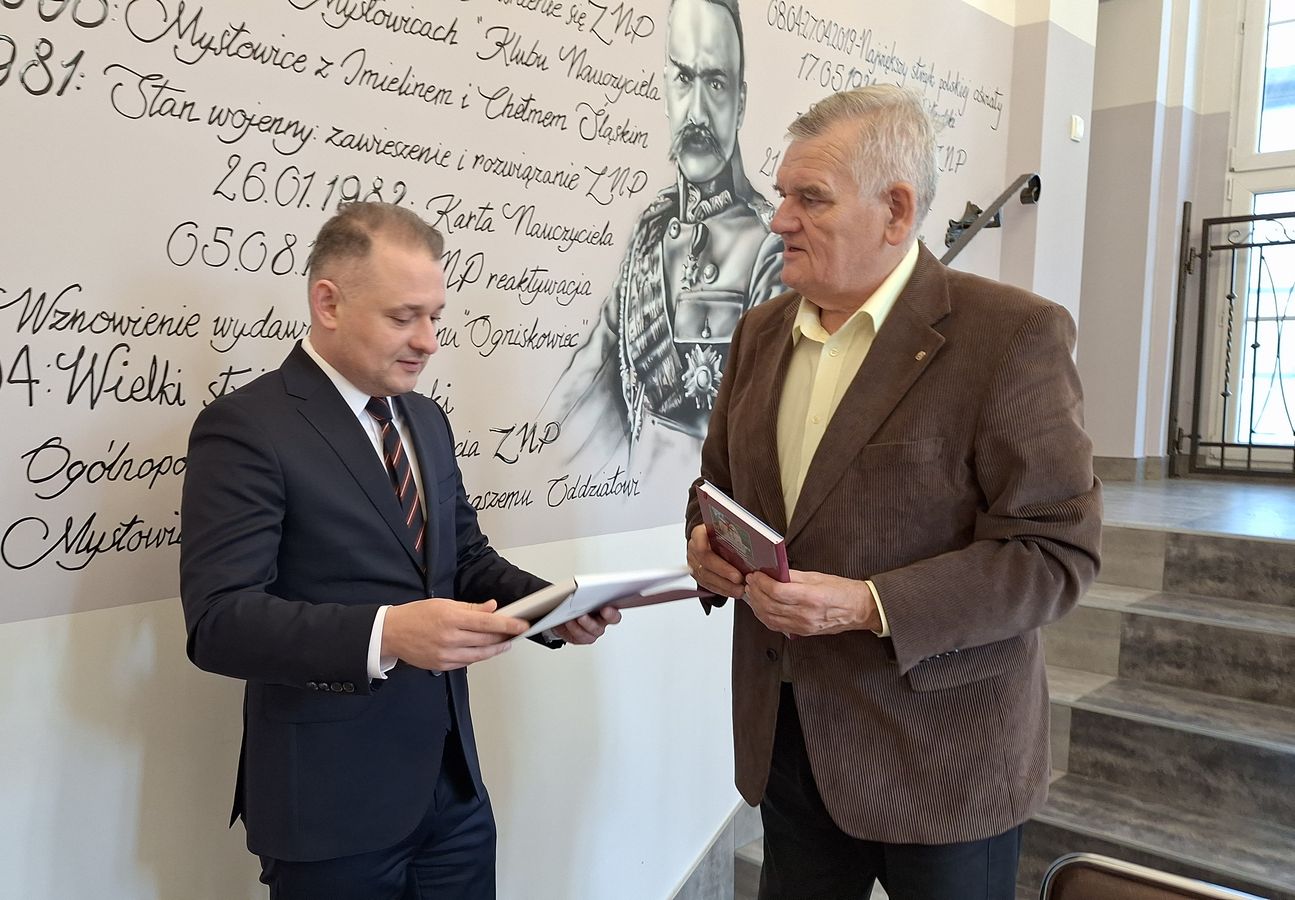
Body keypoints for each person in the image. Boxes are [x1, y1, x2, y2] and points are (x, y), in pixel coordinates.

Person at [685, 85, 1102, 900]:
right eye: (782, 194)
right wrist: (706, 549)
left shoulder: (1010, 335)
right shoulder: (760, 332)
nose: (779, 220)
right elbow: (717, 490)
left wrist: (867, 603)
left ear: (896, 210)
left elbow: (1054, 553)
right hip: (790, 746)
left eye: (810, 199)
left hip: (945, 762)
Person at [179, 202, 617, 900]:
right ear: (328, 303)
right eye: (403, 317)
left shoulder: (425, 418)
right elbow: (219, 623)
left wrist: (551, 609)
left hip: (452, 791)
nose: (429, 341)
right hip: (329, 807)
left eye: (434, 316)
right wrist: (386, 633)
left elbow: (464, 559)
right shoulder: (246, 428)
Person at [541, 0, 785, 463]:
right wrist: (535, 462)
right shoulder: (649, 235)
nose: (697, 112)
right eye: (684, 79)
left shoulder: (768, 248)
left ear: (741, 103)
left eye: (716, 83)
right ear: (665, 91)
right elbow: (588, 385)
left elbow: (760, 436)